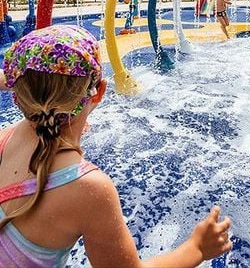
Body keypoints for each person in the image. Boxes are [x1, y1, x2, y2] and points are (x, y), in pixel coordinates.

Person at [0, 25, 232, 268]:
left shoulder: (7, 139)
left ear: (17, 95)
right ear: (99, 91)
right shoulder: (88, 188)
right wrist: (196, 248)